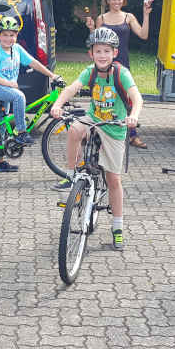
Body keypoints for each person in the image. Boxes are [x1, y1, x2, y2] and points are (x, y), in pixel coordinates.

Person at [50, 27, 144, 251]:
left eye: (106, 51)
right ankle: (72, 174)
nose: (102, 55)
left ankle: (118, 227)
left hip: (114, 127)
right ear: (91, 53)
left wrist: (133, 116)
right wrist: (57, 105)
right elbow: (72, 88)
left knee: (113, 180)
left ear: (115, 53)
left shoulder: (121, 74)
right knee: (74, 128)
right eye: (98, 51)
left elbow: (137, 98)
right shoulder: (89, 71)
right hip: (94, 118)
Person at [0, 15, 61, 172]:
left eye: (12, 35)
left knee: (1, 126)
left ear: (16, 36)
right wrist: (8, 83)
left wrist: (52, 75)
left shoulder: (17, 49)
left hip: (7, 89)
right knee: (19, 97)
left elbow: (33, 62)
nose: (8, 38)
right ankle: (21, 132)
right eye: (4, 34)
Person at [85, 0, 152, 148]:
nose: (117, 2)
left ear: (123, 0)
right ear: (108, 1)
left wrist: (146, 14)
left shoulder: (128, 17)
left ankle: (132, 135)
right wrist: (91, 28)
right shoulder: (102, 18)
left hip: (122, 63)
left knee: (126, 99)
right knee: (103, 97)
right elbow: (97, 41)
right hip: (104, 63)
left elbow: (143, 35)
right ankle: (98, 131)